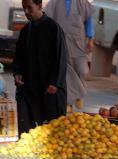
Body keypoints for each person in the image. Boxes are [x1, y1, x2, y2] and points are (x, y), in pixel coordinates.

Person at [12, 0, 69, 134]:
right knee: (27, 131)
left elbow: (61, 58)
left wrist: (55, 83)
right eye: (24, 8)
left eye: (29, 8)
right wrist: (17, 73)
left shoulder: (53, 28)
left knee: (53, 131)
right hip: (29, 88)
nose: (26, 12)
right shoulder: (26, 30)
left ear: (39, 6)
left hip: (50, 89)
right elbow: (18, 58)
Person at [43, 0, 94, 111]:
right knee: (66, 71)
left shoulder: (82, 2)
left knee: (81, 70)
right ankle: (68, 102)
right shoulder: (55, 2)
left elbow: (89, 20)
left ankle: (79, 94)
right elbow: (46, 17)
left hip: (78, 41)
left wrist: (90, 38)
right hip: (61, 41)